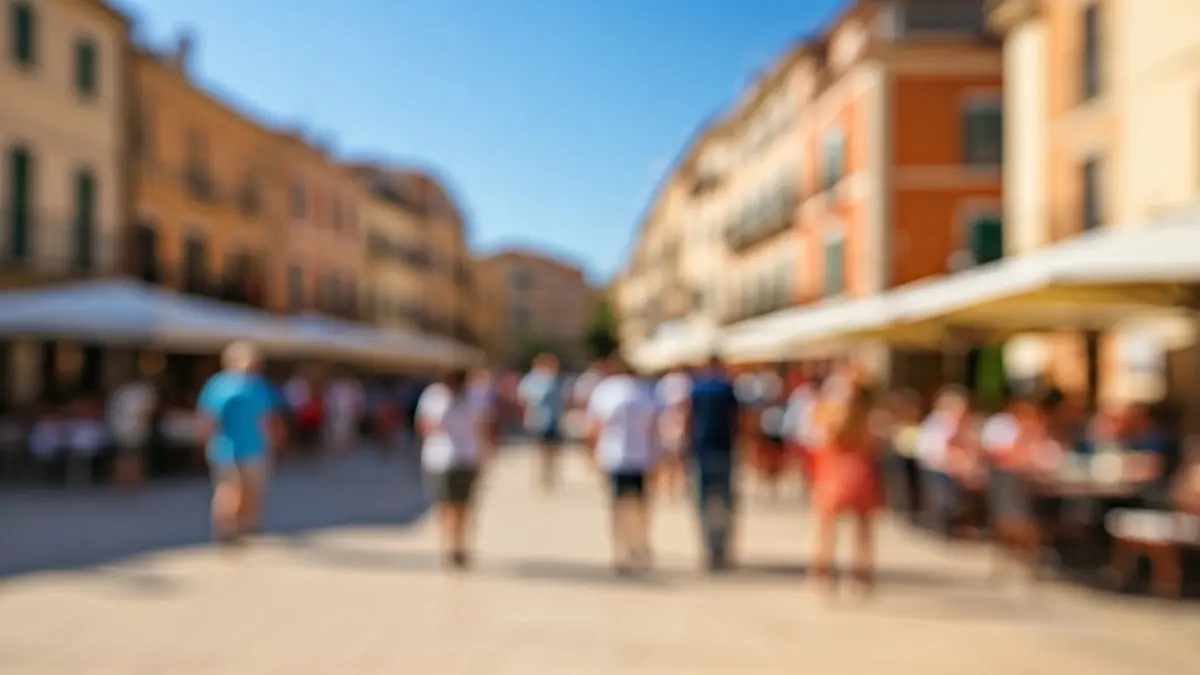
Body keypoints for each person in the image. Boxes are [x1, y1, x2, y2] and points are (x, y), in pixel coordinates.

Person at [197, 342, 284, 545]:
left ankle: (239, 525)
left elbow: (269, 417)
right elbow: (209, 419)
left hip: (241, 447)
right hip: (236, 448)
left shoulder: (224, 384)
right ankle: (232, 527)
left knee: (242, 488)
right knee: (234, 489)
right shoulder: (238, 385)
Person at [586, 355, 660, 575]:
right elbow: (653, 427)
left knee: (618, 507)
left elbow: (594, 425)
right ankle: (639, 543)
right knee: (640, 505)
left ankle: (621, 551)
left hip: (615, 456)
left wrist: (591, 454)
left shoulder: (605, 391)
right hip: (641, 457)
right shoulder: (644, 390)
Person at [810, 385, 884, 599]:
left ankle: (823, 575)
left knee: (828, 528)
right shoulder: (868, 420)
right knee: (862, 530)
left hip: (835, 474)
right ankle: (862, 575)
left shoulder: (833, 416)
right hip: (859, 472)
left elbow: (820, 440)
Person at [416, 368, 492, 569]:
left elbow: (425, 426)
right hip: (447, 458)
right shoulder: (437, 396)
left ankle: (454, 545)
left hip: (456, 458)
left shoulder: (470, 397)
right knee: (452, 506)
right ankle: (453, 545)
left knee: (456, 506)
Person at [685, 355, 742, 572]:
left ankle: (708, 548)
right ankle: (722, 547)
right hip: (725, 450)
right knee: (725, 502)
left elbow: (689, 418)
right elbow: (739, 419)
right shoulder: (728, 388)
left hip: (701, 450)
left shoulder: (697, 388)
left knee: (703, 503)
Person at [519, 354, 566, 491]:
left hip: (553, 421)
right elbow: (531, 399)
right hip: (539, 421)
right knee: (542, 449)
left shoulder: (554, 379)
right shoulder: (534, 380)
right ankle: (542, 476)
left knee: (552, 450)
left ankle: (549, 475)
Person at [654, 368, 691, 500]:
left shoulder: (666, 383)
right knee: (671, 459)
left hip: (672, 424)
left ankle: (671, 488)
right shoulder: (684, 381)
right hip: (671, 424)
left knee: (673, 459)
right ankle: (671, 488)